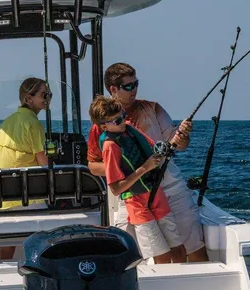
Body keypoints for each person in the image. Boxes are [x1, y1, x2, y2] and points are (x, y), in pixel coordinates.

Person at [87, 62, 210, 262]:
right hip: (133, 196)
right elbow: (93, 166)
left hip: (170, 190)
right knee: (135, 255)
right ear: (113, 89)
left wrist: (183, 135)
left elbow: (179, 145)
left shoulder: (152, 108)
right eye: (128, 86)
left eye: (136, 84)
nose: (134, 89)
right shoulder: (99, 127)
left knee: (192, 245)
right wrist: (134, 169)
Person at [89, 96, 185, 264]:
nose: (123, 121)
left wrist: (173, 142)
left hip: (156, 194)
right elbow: (116, 188)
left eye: (123, 116)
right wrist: (145, 168)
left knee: (178, 248)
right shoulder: (110, 146)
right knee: (161, 255)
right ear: (104, 126)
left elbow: (152, 148)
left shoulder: (130, 131)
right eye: (117, 120)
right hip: (137, 203)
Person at [0, 77, 51, 260]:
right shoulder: (34, 123)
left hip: (3, 197)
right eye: (44, 94)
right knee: (45, 241)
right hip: (26, 195)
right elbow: (43, 161)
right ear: (28, 99)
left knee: (7, 246)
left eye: (49, 94)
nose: (48, 98)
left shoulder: (7, 122)